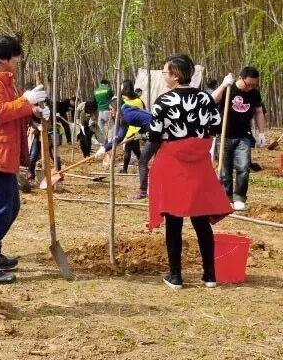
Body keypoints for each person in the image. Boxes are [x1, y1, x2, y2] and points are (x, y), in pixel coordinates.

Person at [0, 35, 48, 285]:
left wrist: (33, 111)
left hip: (3, 155)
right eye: (16, 58)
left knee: (10, 208)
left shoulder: (4, 79)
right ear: (3, 59)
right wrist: (26, 101)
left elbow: (12, 109)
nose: (18, 62)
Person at [147, 54, 231, 289]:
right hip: (198, 163)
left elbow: (154, 135)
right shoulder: (205, 98)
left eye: (165, 72)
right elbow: (215, 126)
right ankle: (209, 275)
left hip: (172, 163)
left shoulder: (163, 101)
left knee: (174, 220)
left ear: (175, 75)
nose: (164, 76)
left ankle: (176, 276)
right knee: (201, 219)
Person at [212, 67, 267, 211]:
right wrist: (223, 85)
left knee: (243, 167)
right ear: (240, 78)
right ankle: (226, 198)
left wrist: (261, 133)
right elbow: (212, 100)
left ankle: (239, 198)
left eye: (254, 85)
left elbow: (258, 112)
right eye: (248, 84)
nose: (250, 87)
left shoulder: (254, 93)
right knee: (225, 170)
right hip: (224, 135)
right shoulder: (229, 88)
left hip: (243, 135)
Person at [95, 96, 156, 199]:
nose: (111, 113)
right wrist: (138, 133)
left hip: (156, 132)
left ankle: (143, 191)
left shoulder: (125, 116)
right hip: (156, 129)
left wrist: (104, 148)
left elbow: (119, 138)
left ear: (117, 108)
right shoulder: (128, 110)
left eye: (111, 109)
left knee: (142, 161)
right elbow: (145, 119)